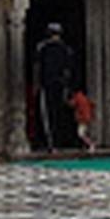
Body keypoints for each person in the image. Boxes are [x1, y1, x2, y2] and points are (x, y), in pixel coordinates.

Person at [34, 22, 77, 151]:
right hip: (61, 85)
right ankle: (60, 142)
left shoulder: (43, 47)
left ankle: (51, 143)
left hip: (47, 84)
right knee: (59, 113)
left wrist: (36, 84)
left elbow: (37, 67)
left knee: (48, 114)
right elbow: (69, 70)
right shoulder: (66, 49)